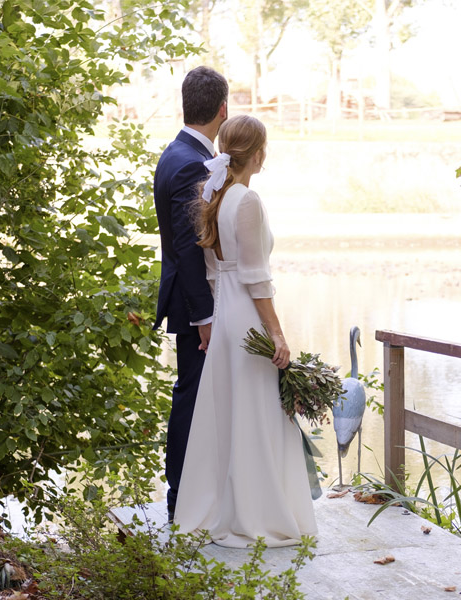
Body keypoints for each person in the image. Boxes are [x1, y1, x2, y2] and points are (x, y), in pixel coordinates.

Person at [173, 114, 318, 547]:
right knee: (256, 414)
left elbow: (214, 271)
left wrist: (216, 319)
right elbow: (257, 277)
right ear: (258, 153)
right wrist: (277, 334)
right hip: (248, 318)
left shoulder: (218, 195)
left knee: (231, 413)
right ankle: (258, 514)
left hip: (225, 315)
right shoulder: (248, 202)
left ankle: (226, 507)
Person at [153, 66, 229, 522]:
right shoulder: (188, 163)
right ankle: (181, 498)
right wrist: (205, 315)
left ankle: (195, 493)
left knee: (197, 395)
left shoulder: (176, 153)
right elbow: (186, 244)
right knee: (192, 396)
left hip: (192, 299)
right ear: (223, 109)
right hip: (194, 304)